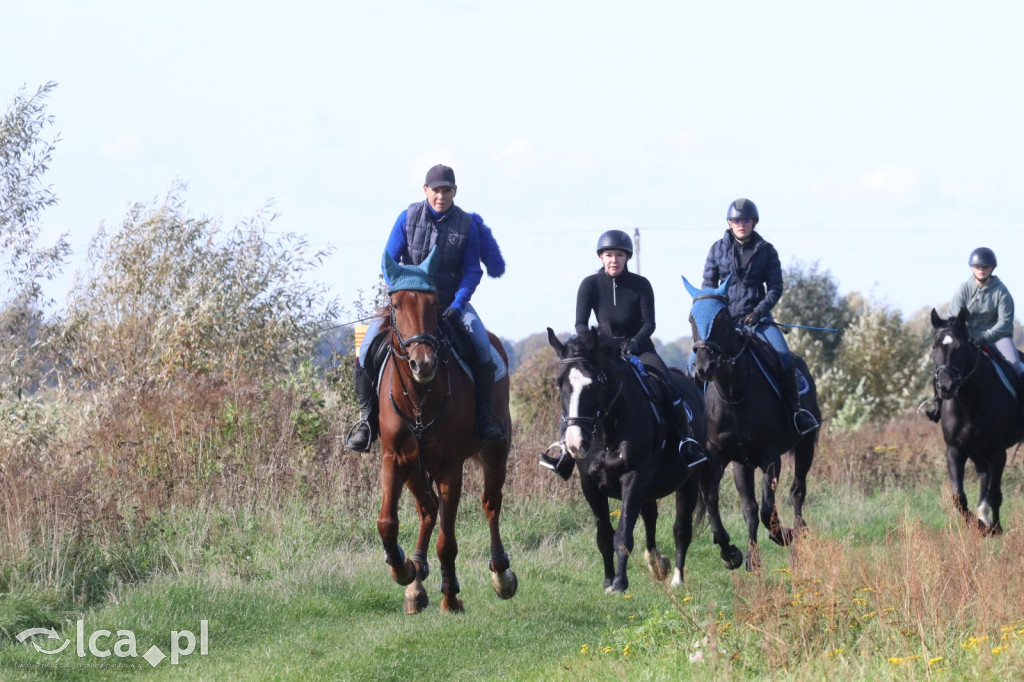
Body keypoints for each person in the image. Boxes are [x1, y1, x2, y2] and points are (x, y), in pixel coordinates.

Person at [344, 164, 506, 452]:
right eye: (436, 190)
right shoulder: (406, 218)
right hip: (410, 305)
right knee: (366, 347)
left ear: (454, 192)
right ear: (425, 190)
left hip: (450, 304)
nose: (441, 195)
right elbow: (388, 260)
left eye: (447, 190)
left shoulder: (466, 224)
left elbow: (472, 271)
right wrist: (403, 291)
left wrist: (458, 304)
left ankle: (484, 421)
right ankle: (367, 422)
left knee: (483, 347)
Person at [539, 229, 706, 479]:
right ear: (601, 258)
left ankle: (685, 444)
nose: (613, 260)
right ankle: (564, 450)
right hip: (602, 352)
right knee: (577, 392)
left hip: (639, 348)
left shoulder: (641, 285)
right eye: (608, 255)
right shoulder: (589, 285)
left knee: (668, 385)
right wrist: (593, 344)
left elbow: (650, 324)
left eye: (619, 255)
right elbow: (581, 324)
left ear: (627, 257)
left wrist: (634, 344)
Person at [700, 198, 819, 435]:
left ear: (753, 222)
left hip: (758, 320)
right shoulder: (717, 249)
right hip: (726, 322)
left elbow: (775, 288)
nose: (741, 224)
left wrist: (758, 312)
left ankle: (796, 412)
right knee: (700, 362)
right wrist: (718, 313)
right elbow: (708, 286)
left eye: (745, 220)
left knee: (785, 357)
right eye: (736, 220)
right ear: (729, 223)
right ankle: (700, 419)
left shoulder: (766, 250)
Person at [925, 247, 1023, 421]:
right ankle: (937, 406)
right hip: (969, 338)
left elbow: (1004, 323)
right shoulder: (963, 290)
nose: (981, 269)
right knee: (946, 365)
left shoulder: (1001, 292)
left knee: (1016, 365)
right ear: (972, 268)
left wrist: (984, 338)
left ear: (992, 268)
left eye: (985, 266)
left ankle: (1020, 410)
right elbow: (953, 319)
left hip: (999, 338)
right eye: (978, 266)